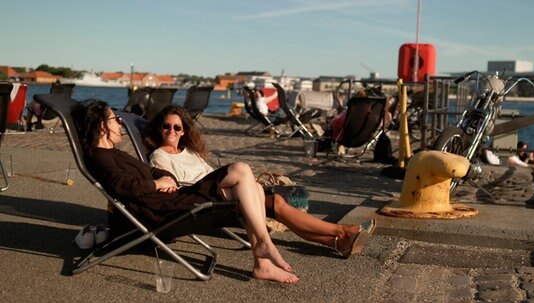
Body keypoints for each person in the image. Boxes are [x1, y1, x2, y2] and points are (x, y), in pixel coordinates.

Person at [73, 99, 299, 284]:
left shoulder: (113, 153)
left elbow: (149, 170)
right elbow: (122, 186)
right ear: (103, 126)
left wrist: (164, 177)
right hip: (162, 209)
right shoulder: (100, 157)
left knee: (255, 188)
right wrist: (157, 185)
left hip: (170, 198)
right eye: (115, 119)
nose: (120, 124)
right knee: (241, 170)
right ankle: (264, 246)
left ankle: (262, 264)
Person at [143, 105, 377, 259]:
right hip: (202, 196)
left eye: (177, 127)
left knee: (278, 205)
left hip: (222, 190)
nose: (171, 131)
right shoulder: (159, 156)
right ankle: (342, 232)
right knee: (273, 200)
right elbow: (173, 185)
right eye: (166, 126)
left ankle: (338, 242)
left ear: (184, 131)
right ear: (159, 129)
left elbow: (209, 172)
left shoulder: (189, 152)